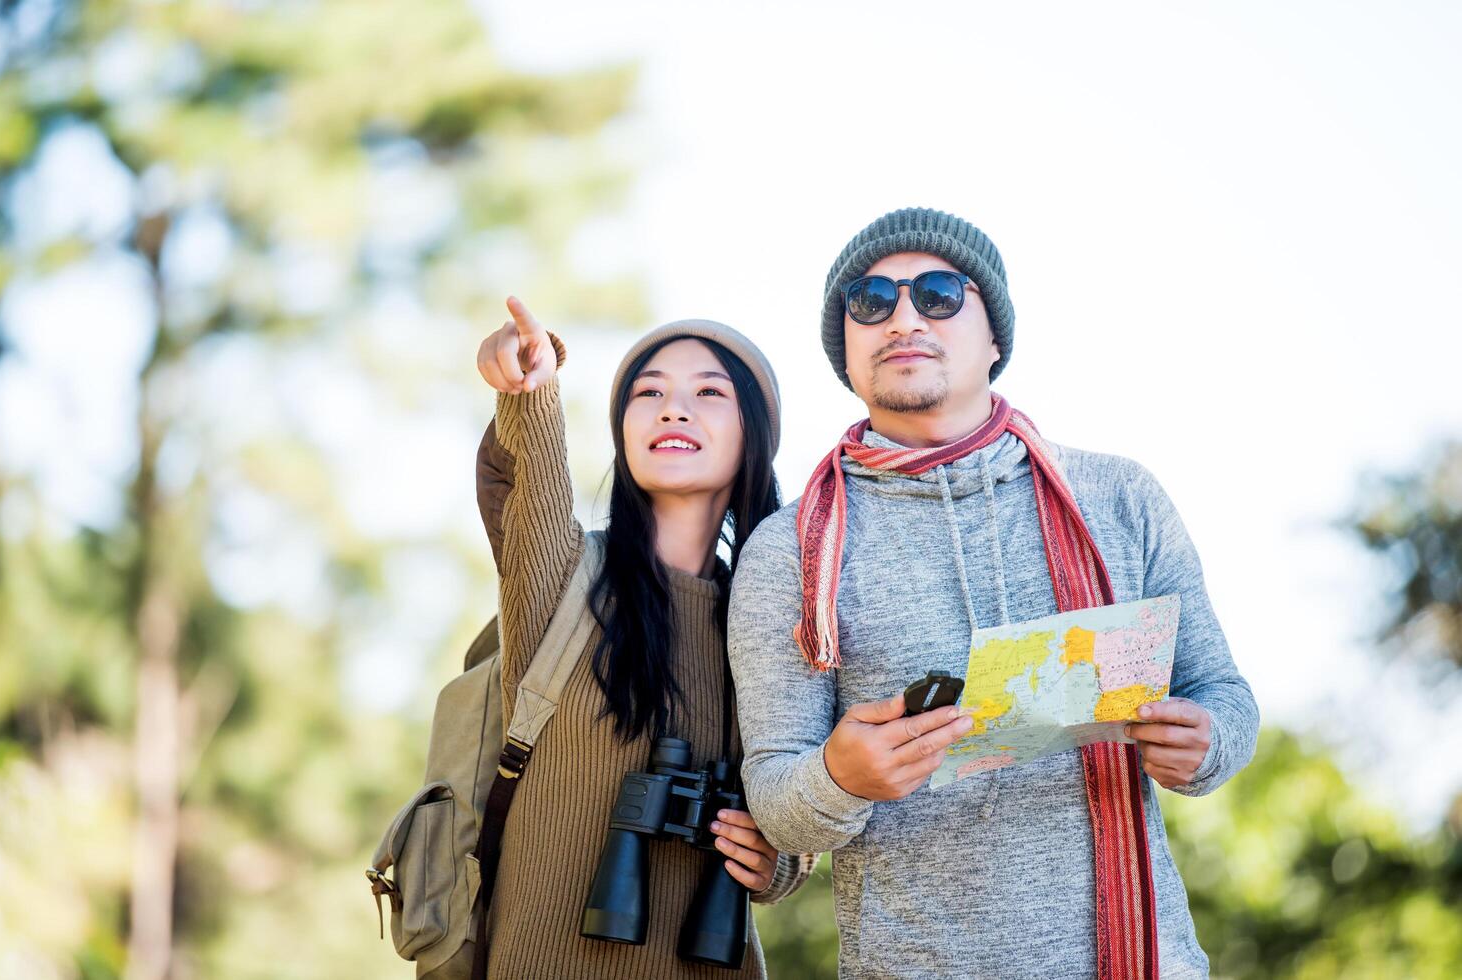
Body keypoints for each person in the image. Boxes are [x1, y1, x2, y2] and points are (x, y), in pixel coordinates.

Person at [727, 208, 1259, 979]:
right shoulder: (791, 550)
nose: (903, 317)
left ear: (995, 336)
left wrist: (1207, 741)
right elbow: (774, 797)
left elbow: (1223, 692)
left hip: (1145, 962)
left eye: (939, 294)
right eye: (870, 301)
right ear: (845, 347)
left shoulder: (1117, 496)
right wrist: (840, 777)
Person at [473, 296, 813, 978]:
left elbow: (802, 775)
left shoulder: (782, 617)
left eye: (708, 392)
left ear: (756, 435)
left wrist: (780, 861)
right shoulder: (564, 581)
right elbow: (527, 477)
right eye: (648, 391)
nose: (672, 408)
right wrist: (528, 386)